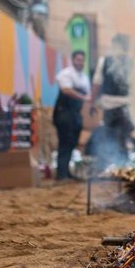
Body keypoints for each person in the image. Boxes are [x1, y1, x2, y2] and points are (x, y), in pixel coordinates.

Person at [91, 34, 135, 167]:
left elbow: (96, 83)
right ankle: (118, 166)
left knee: (115, 137)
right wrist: (93, 102)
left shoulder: (108, 61)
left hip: (120, 105)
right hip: (116, 105)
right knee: (117, 137)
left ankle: (118, 166)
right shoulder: (106, 61)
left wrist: (93, 102)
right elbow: (97, 83)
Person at [53, 50, 90, 180]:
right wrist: (83, 97)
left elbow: (88, 95)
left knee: (72, 142)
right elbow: (66, 90)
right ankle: (61, 173)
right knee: (64, 142)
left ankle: (66, 171)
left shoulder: (84, 77)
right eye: (78, 60)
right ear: (73, 60)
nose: (80, 62)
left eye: (82, 60)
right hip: (64, 113)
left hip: (75, 114)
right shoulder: (66, 74)